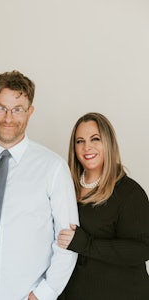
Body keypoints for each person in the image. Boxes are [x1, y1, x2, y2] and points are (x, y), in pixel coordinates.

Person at [0, 70, 79, 300]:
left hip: (28, 295)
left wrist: (43, 294)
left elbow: (67, 240)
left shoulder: (53, 169)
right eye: (1, 108)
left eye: (17, 109)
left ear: (30, 112)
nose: (8, 118)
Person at [57, 112, 149, 300]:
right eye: (79, 141)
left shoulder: (129, 192)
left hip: (120, 294)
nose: (86, 147)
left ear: (108, 142)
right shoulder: (64, 187)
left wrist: (86, 244)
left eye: (95, 139)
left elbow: (142, 249)